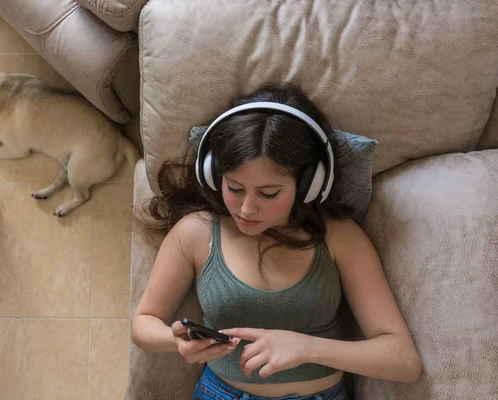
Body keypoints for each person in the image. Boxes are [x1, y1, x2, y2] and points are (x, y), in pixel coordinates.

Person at [131, 84, 422, 400]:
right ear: (214, 173)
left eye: (269, 193)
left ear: (309, 185)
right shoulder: (195, 233)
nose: (246, 208)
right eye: (235, 187)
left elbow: (403, 361)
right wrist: (175, 340)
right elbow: (143, 323)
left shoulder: (339, 236)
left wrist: (307, 348)